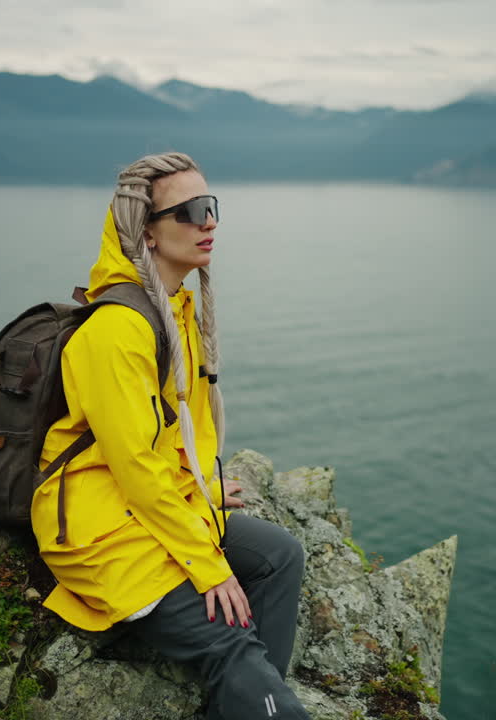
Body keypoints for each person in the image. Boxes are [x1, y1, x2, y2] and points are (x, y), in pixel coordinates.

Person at [31, 152, 309, 719]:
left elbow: (175, 432)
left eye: (210, 207)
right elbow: (134, 465)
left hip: (144, 509)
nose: (208, 222)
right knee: (232, 639)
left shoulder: (175, 307)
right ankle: (254, 691)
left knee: (279, 555)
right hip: (102, 533)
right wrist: (208, 566)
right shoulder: (117, 329)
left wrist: (204, 487)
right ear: (147, 233)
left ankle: (246, 701)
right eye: (188, 212)